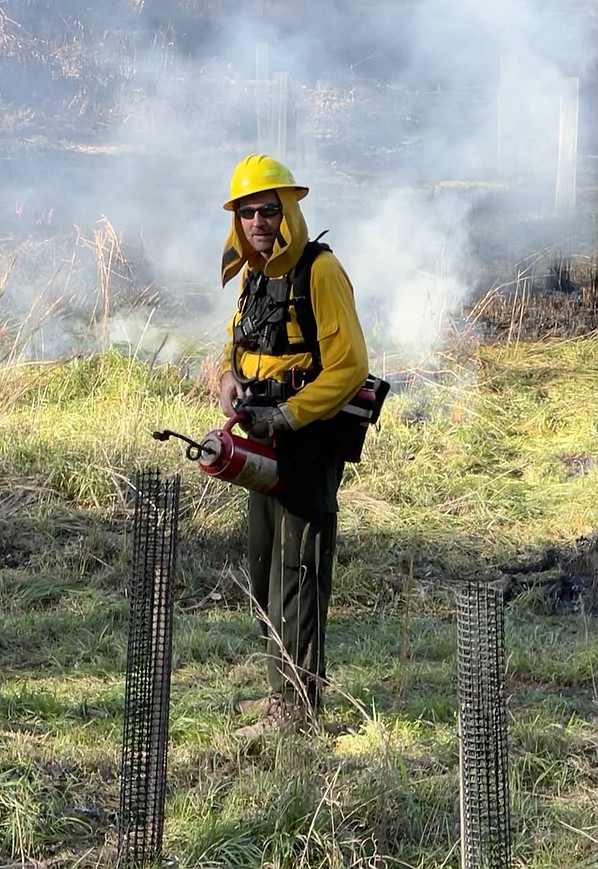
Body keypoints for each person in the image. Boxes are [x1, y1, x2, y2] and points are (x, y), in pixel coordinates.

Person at [218, 154, 369, 737]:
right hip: (261, 433)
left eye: (268, 209)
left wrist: (285, 413)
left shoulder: (320, 271)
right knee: (262, 566)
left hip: (305, 438)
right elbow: (240, 344)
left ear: (289, 209)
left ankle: (299, 711)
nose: (258, 220)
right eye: (247, 211)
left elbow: (351, 365)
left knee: (298, 569)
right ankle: (280, 688)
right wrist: (230, 384)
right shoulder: (254, 273)